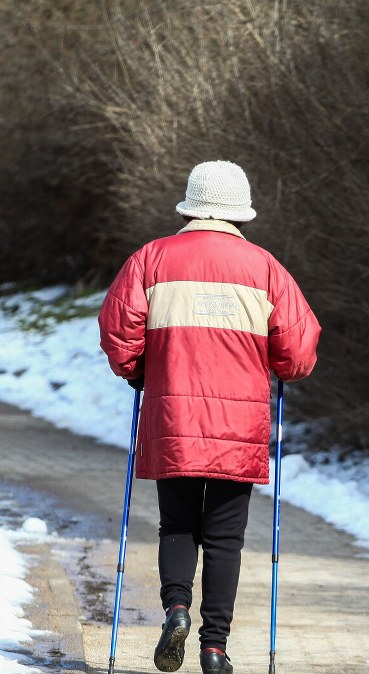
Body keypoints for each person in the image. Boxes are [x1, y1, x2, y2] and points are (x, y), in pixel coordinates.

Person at [98, 160, 321, 674]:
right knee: (225, 538)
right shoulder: (265, 268)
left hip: (171, 412)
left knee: (177, 522)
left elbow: (118, 328)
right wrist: (282, 364)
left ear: (189, 206)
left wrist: (135, 370)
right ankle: (214, 646)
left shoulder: (151, 259)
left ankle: (176, 608)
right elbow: (299, 350)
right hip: (237, 428)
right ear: (240, 213)